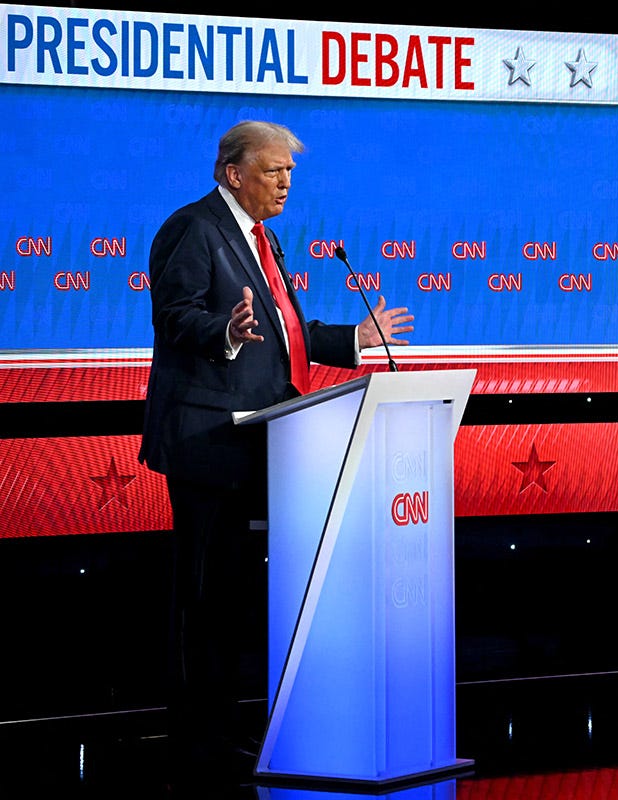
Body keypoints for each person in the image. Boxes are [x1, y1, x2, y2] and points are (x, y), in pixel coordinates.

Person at [138, 120, 415, 779]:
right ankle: (196, 743)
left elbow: (287, 329)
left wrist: (355, 337)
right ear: (233, 173)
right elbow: (176, 316)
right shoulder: (195, 228)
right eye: (272, 171)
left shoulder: (263, 239)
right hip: (210, 442)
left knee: (234, 594)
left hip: (261, 439)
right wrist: (225, 331)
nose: (286, 183)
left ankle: (229, 728)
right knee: (205, 597)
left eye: (289, 172)